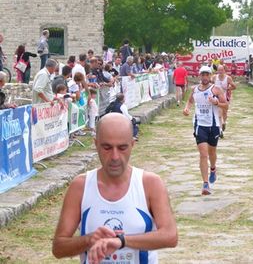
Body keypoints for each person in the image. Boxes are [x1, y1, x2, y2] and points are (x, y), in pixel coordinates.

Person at [52, 113, 178, 263]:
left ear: (132, 144)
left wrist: (121, 241)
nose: (115, 156)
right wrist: (89, 240)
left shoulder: (150, 184)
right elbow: (59, 248)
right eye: (107, 147)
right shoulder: (80, 186)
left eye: (122, 148)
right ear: (96, 144)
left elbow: (170, 236)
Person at [183, 65, 228, 195]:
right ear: (200, 76)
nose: (205, 77)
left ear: (210, 76)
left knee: (212, 153)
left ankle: (213, 169)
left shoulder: (216, 90)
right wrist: (187, 109)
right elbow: (190, 101)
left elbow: (226, 105)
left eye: (207, 75)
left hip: (213, 125)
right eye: (203, 75)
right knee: (203, 154)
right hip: (200, 125)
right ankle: (205, 184)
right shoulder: (194, 89)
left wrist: (216, 103)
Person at [212, 65, 236, 136]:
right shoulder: (214, 77)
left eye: (221, 70)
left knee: (224, 112)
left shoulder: (228, 78)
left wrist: (228, 89)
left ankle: (224, 123)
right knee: (219, 113)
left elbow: (234, 86)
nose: (220, 72)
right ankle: (220, 130)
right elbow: (209, 84)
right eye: (219, 70)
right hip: (217, 97)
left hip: (225, 97)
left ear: (224, 70)